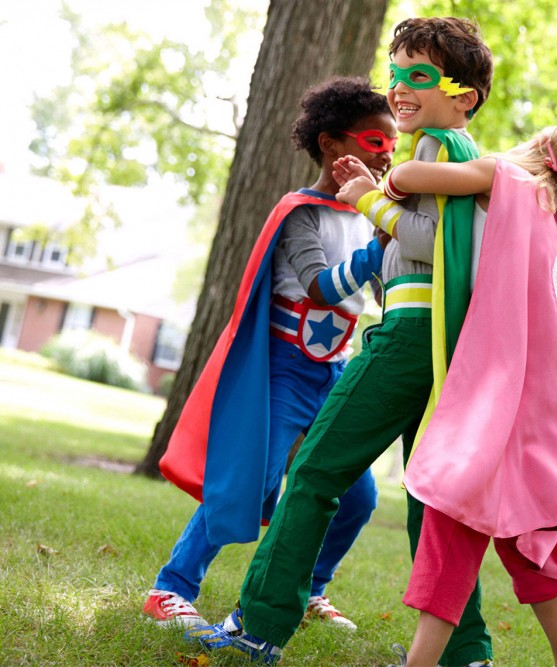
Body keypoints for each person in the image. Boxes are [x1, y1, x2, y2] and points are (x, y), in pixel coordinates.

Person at [184, 17, 496, 667]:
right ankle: (465, 653)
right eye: (395, 72)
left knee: (315, 473)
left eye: (419, 75)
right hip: (447, 342)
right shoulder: (463, 152)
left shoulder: (435, 147)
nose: (400, 87)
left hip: (411, 334)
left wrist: (366, 199)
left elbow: (429, 242)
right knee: (432, 501)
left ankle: (258, 625)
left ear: (463, 95)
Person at [339, 122, 557, 667]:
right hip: (551, 407)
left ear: (543, 148)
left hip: (499, 397)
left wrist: (372, 192)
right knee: (530, 536)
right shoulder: (556, 227)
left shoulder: (507, 176)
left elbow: (411, 174)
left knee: (451, 521)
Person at [144, 77, 396, 632]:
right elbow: (321, 288)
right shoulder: (301, 212)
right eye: (375, 142)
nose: (387, 156)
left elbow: (386, 293)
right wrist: (380, 247)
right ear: (330, 144)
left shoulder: (369, 217)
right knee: (250, 479)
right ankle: (171, 587)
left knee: (357, 497)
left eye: (393, 147)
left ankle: (311, 588)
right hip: (283, 369)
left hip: (335, 374)